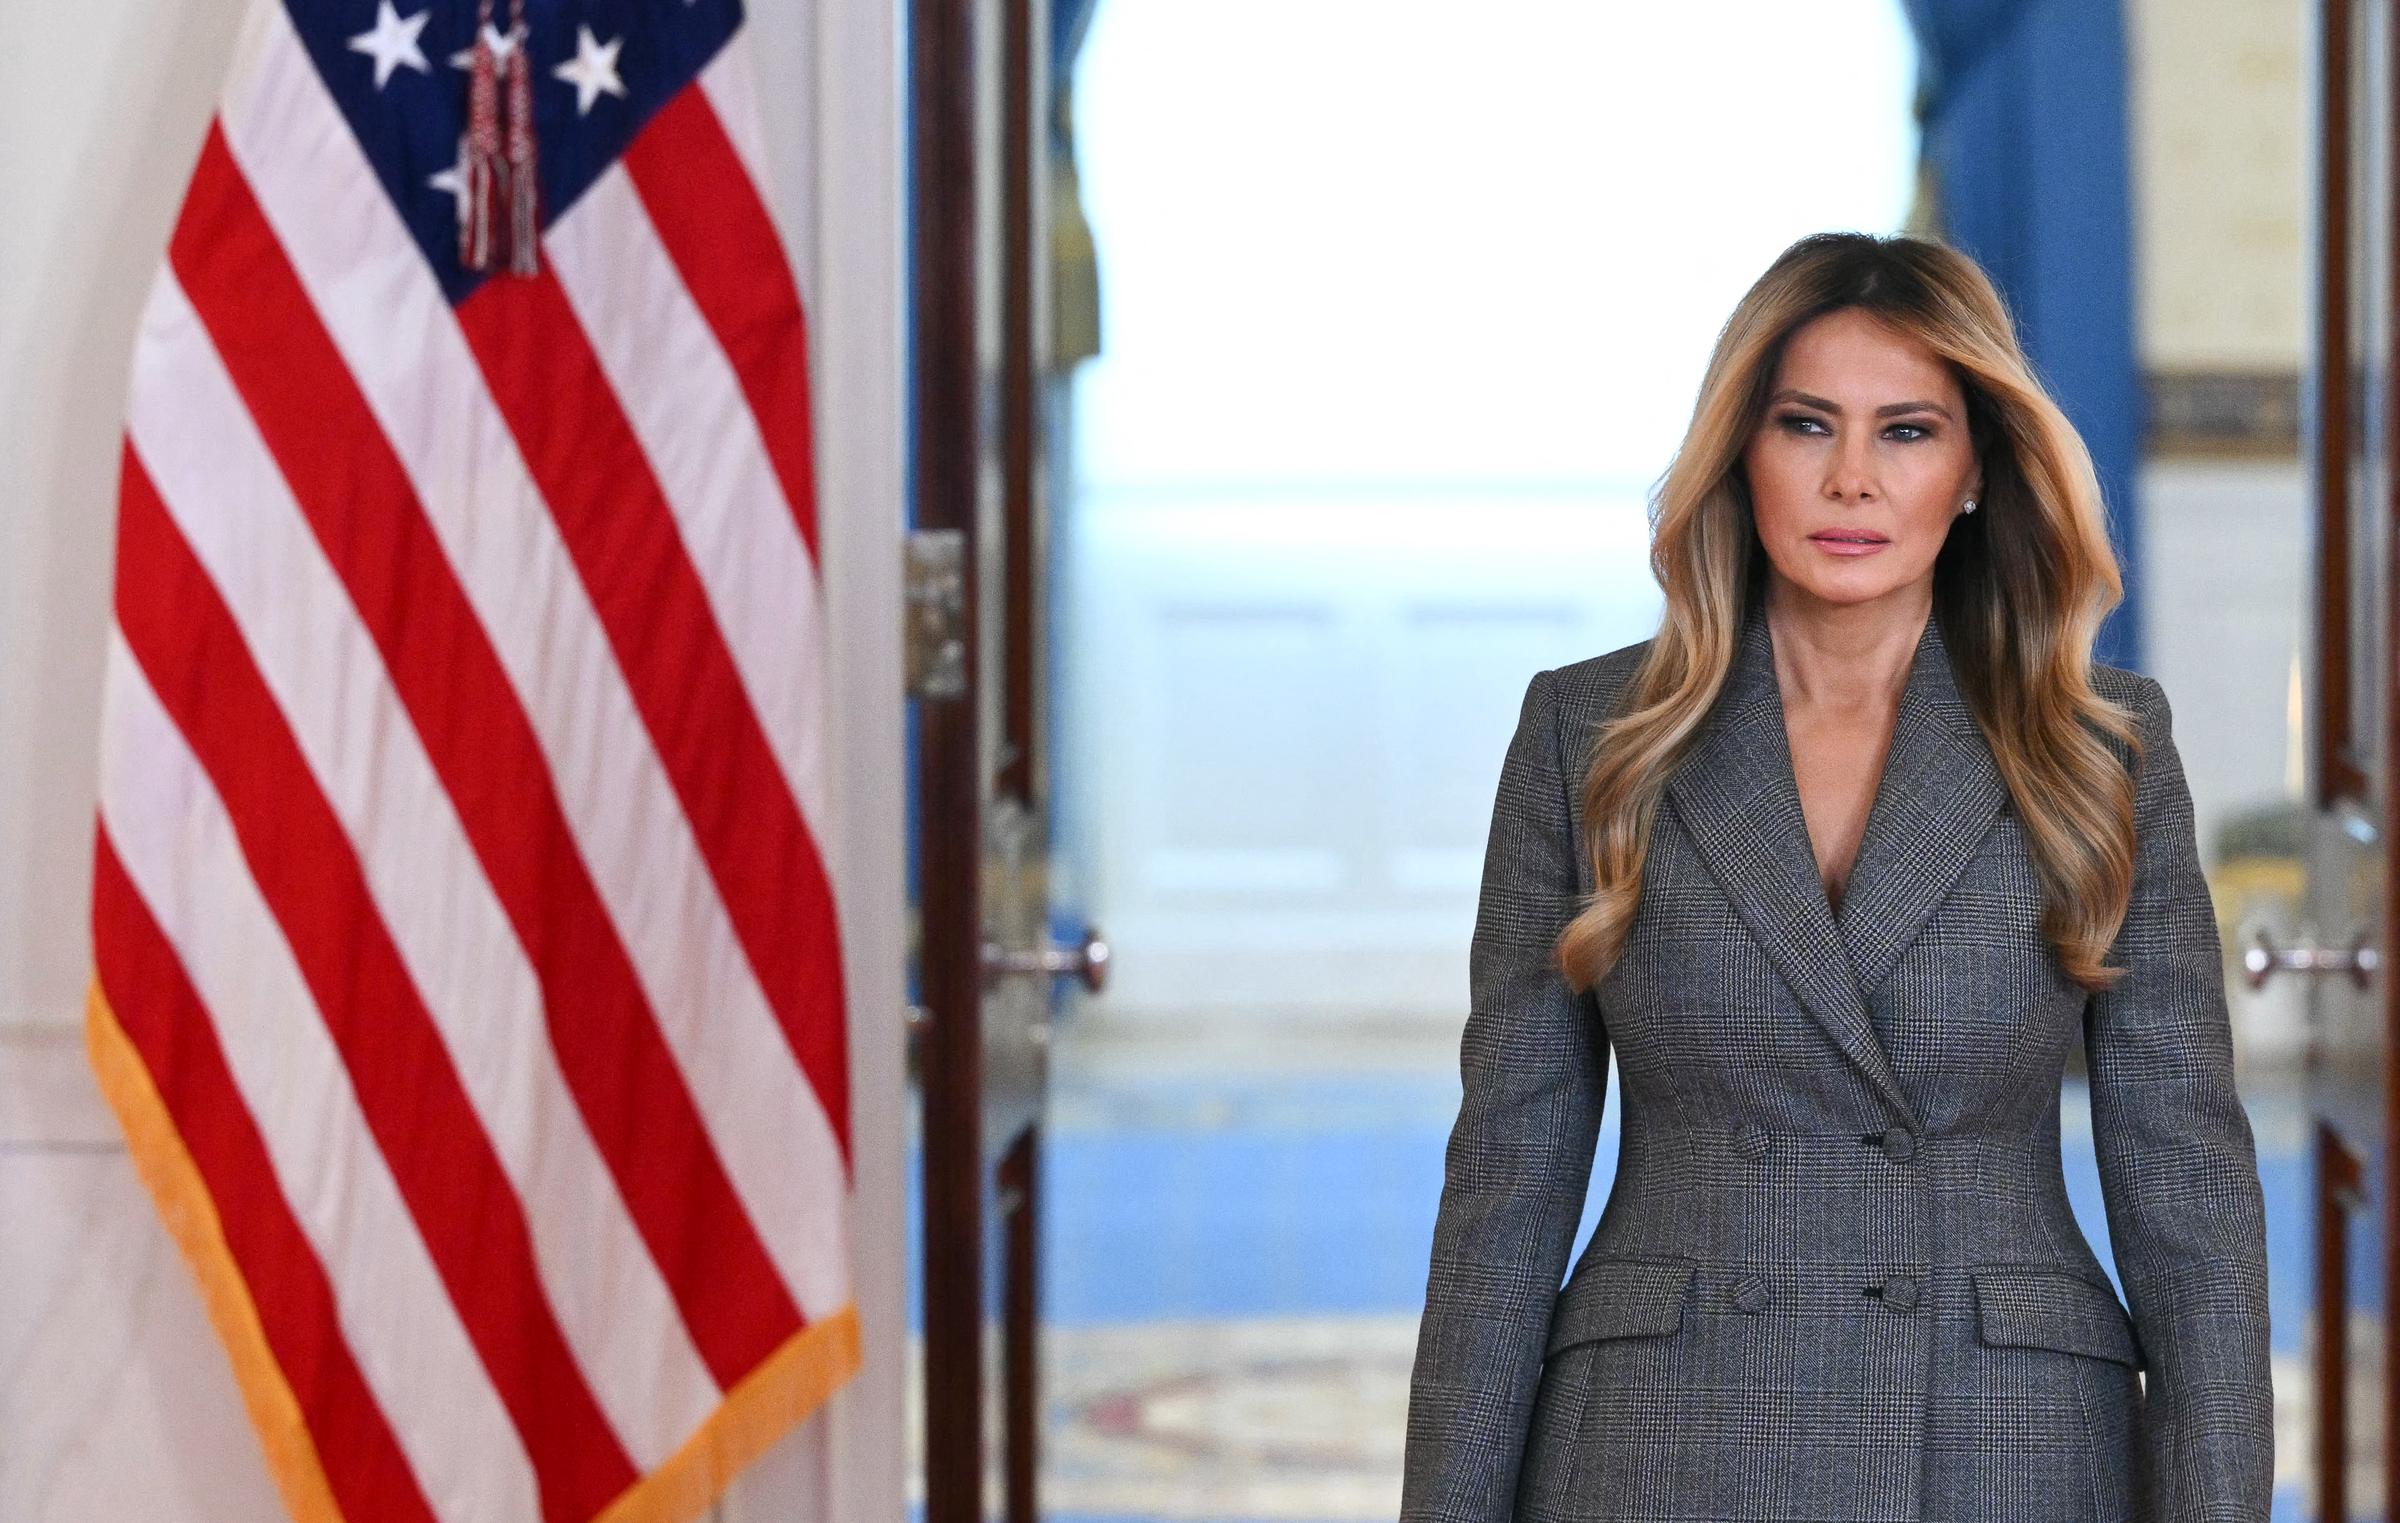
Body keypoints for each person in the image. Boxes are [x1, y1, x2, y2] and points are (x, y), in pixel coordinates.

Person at [1399, 232, 2272, 1523]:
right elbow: (1508, 1183)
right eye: (1808, 426)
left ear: (1977, 470)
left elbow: (2190, 1202)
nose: (1852, 480)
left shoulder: (2102, 752)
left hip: (2007, 1447)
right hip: (1663, 1443)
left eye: (1907, 432)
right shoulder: (1590, 741)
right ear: (1741, 452)